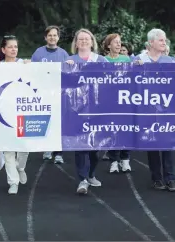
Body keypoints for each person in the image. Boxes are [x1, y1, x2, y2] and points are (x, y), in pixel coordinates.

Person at [134, 28, 175, 192]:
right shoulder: (139, 59)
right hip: (147, 108)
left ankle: (170, 178)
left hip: (166, 108)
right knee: (152, 144)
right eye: (161, 40)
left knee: (167, 144)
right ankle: (156, 178)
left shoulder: (170, 61)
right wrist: (134, 68)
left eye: (164, 40)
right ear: (151, 42)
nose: (164, 43)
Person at [65, 28, 108, 194]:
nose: (83, 41)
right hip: (77, 111)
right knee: (81, 144)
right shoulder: (69, 60)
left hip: (98, 109)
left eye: (86, 39)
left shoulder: (101, 60)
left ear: (92, 42)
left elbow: (112, 79)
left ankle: (90, 174)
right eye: (80, 39)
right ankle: (82, 179)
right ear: (75, 43)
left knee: (96, 147)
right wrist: (66, 69)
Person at [31, 25, 69, 164]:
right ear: (45, 37)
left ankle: (59, 152)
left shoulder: (64, 54)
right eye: (50, 35)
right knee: (46, 120)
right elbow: (32, 72)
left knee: (60, 123)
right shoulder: (38, 52)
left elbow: (68, 74)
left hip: (59, 93)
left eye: (55, 35)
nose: (52, 38)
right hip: (43, 92)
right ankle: (47, 148)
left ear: (58, 37)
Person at [0, 35, 31, 194]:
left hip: (23, 110)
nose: (13, 49)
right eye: (10, 47)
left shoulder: (23, 64)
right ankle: (13, 182)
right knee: (8, 148)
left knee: (24, 146)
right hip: (4, 113)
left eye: (15, 47)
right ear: (3, 49)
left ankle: (20, 167)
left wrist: (30, 67)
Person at [101, 33, 132, 173]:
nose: (119, 44)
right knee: (113, 131)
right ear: (108, 45)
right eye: (115, 42)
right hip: (110, 101)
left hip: (125, 101)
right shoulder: (103, 60)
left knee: (126, 130)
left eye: (120, 42)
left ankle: (125, 160)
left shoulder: (126, 58)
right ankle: (114, 160)